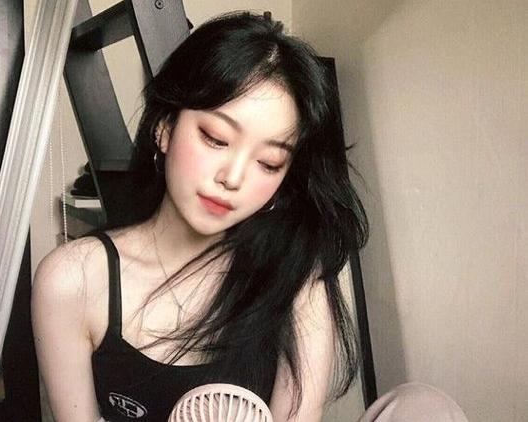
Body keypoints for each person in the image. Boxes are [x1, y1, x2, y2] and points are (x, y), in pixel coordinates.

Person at [31, 11, 467, 422]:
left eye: (269, 163)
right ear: (164, 127)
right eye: (216, 138)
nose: (233, 177)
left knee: (424, 407)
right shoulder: (74, 280)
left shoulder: (295, 275)